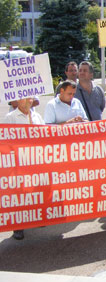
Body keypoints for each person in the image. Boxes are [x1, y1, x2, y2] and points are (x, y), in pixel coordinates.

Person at [4, 97, 45, 240]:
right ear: (17, 101)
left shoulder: (37, 116)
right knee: (19, 193)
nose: (28, 101)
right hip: (19, 163)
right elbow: (6, 141)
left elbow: (45, 136)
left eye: (30, 98)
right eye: (24, 98)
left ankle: (37, 218)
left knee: (36, 190)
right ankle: (18, 227)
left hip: (35, 161)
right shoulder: (11, 117)